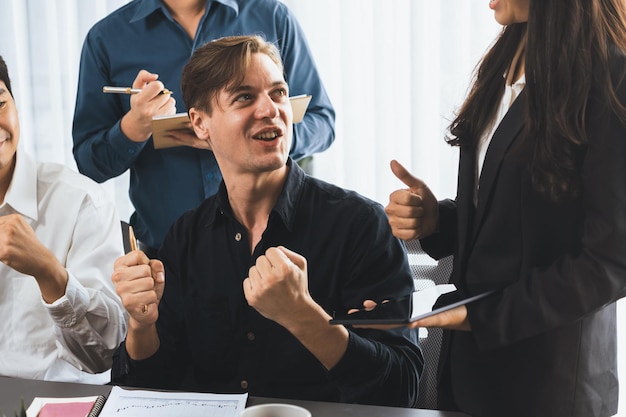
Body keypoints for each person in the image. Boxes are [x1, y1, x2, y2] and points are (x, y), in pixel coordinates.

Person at [110, 35, 421, 407]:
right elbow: (152, 390)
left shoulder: (361, 226)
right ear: (199, 123)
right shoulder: (185, 237)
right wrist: (141, 326)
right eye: (244, 97)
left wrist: (304, 316)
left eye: (277, 93)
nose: (270, 109)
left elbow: (401, 389)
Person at [380, 0, 626, 416]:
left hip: (549, 385)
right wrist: (439, 220)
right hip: (471, 373)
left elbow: (611, 261)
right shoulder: (505, 60)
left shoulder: (612, 79)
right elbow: (513, 212)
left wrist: (486, 314)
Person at [72, 0, 335, 257]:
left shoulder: (272, 15)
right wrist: (134, 127)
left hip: (281, 246)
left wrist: (258, 138)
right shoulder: (107, 38)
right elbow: (90, 164)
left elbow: (322, 123)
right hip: (170, 258)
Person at [0, 56, 127, 384]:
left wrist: (50, 274)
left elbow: (104, 354)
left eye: (0, 103)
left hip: (59, 400)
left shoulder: (81, 201)